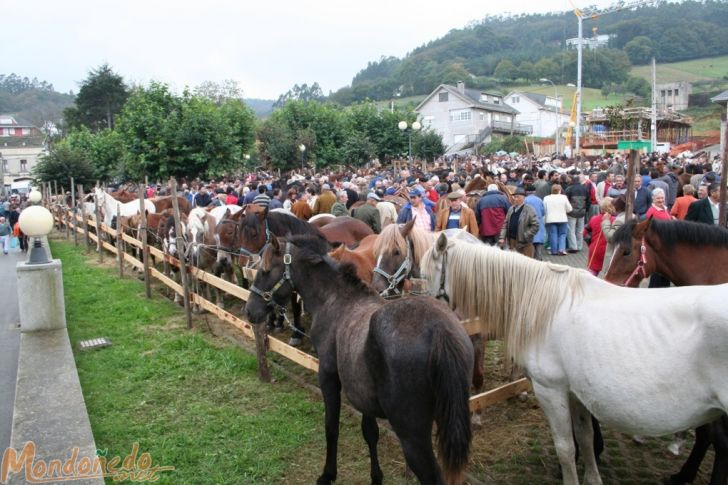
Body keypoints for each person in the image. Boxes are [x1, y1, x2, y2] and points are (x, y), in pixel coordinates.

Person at [498, 187, 539, 258]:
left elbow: (535, 225)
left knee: (526, 265)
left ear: (523, 198)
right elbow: (505, 224)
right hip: (512, 242)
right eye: (514, 197)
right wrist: (502, 237)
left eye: (517, 197)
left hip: (524, 244)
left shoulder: (529, 210)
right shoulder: (511, 209)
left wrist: (526, 235)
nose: (515, 199)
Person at [585, 198, 613, 276]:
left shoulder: (594, 219)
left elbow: (584, 232)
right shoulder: (615, 220)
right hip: (608, 251)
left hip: (595, 249)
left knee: (592, 275)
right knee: (607, 275)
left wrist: (590, 243)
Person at [543, 184, 572, 256]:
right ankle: (561, 249)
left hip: (550, 219)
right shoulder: (564, 197)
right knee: (562, 234)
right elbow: (569, 209)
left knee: (553, 234)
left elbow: (544, 209)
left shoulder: (546, 198)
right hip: (562, 218)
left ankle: (554, 251)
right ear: (560, 190)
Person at [565, 173, 590, 253]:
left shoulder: (569, 189)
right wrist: (586, 210)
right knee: (580, 230)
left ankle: (573, 246)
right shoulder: (584, 188)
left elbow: (567, 201)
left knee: (571, 230)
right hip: (582, 212)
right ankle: (579, 246)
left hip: (571, 212)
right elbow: (588, 201)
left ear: (572, 180)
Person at [601, 195, 627, 270]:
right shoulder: (633, 216)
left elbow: (611, 237)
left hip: (616, 256)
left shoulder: (619, 220)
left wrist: (606, 221)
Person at [524, 184, 546, 260]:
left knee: (531, 242)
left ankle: (531, 258)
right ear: (534, 192)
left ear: (527, 192)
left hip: (528, 223)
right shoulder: (539, 200)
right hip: (538, 222)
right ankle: (539, 258)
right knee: (538, 242)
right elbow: (543, 212)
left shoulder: (525, 200)